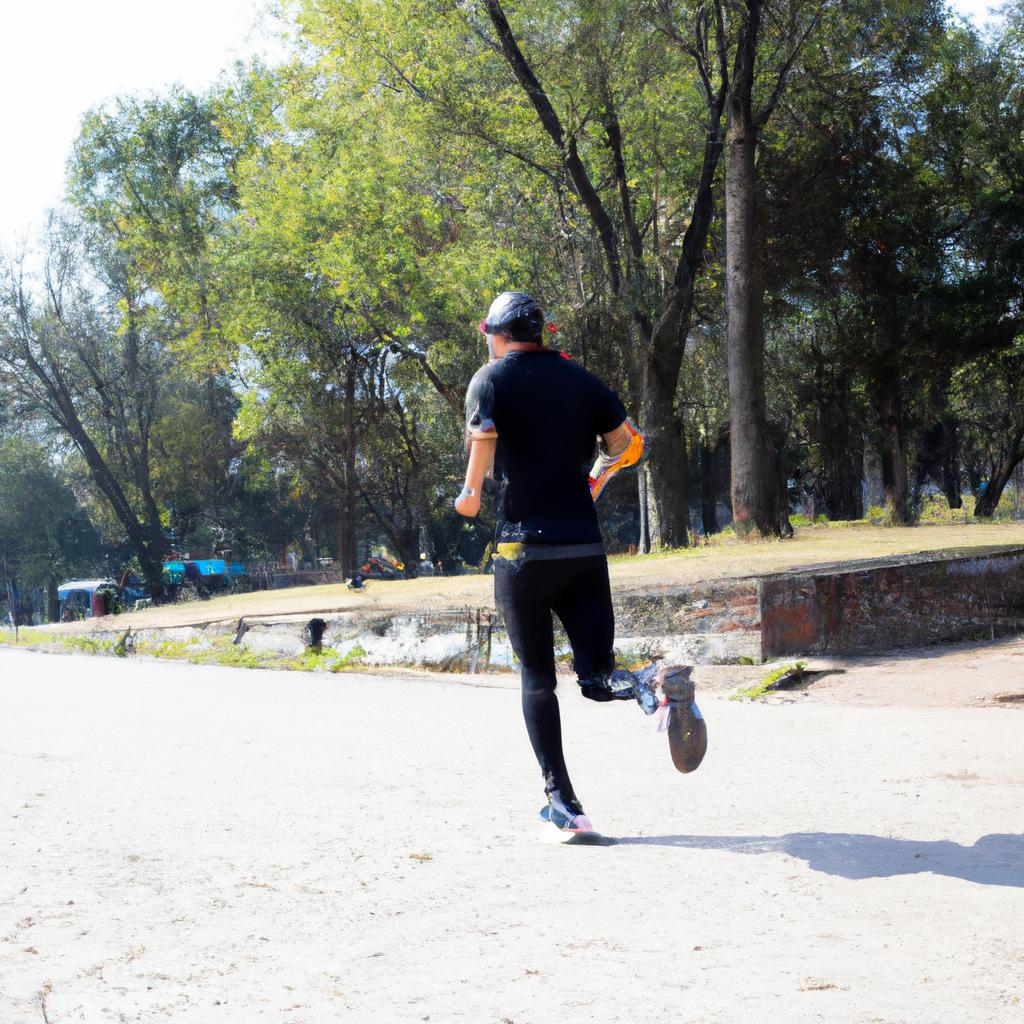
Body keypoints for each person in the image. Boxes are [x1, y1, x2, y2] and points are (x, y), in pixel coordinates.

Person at [456, 291, 706, 834]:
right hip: (584, 552)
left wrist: (470, 493)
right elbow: (628, 444)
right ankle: (655, 686)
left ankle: (563, 801)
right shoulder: (583, 381)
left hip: (523, 553)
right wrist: (594, 478)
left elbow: (484, 438)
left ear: (497, 332)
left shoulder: (491, 378)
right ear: (539, 332)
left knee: (539, 681)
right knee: (596, 677)